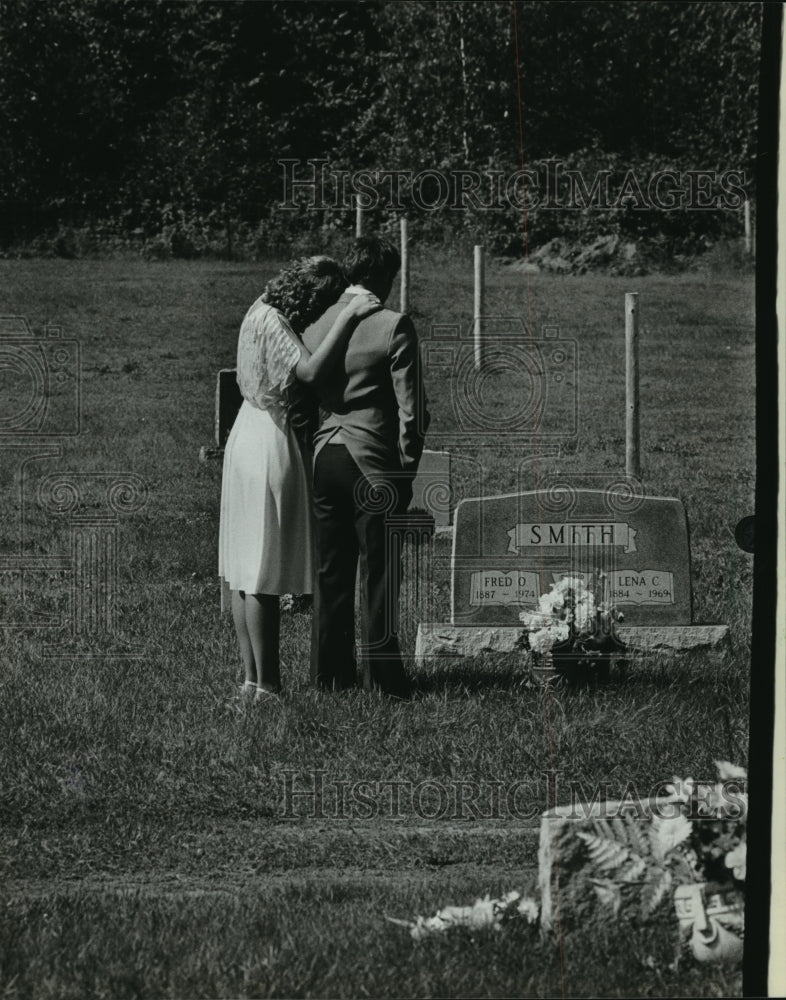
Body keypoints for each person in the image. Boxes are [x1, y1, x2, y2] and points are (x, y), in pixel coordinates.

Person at [218, 255, 381, 704]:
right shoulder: (276, 324)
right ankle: (269, 684)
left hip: (243, 431)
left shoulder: (259, 306)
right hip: (270, 438)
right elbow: (309, 372)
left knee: (243, 569)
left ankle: (251, 679)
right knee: (264, 569)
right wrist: (348, 317)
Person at [303, 236, 430, 698]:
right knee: (379, 574)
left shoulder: (317, 322)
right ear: (381, 277)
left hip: (324, 456)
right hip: (372, 461)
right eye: (392, 279)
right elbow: (412, 413)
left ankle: (330, 678)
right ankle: (385, 682)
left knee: (331, 572)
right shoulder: (393, 324)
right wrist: (406, 472)